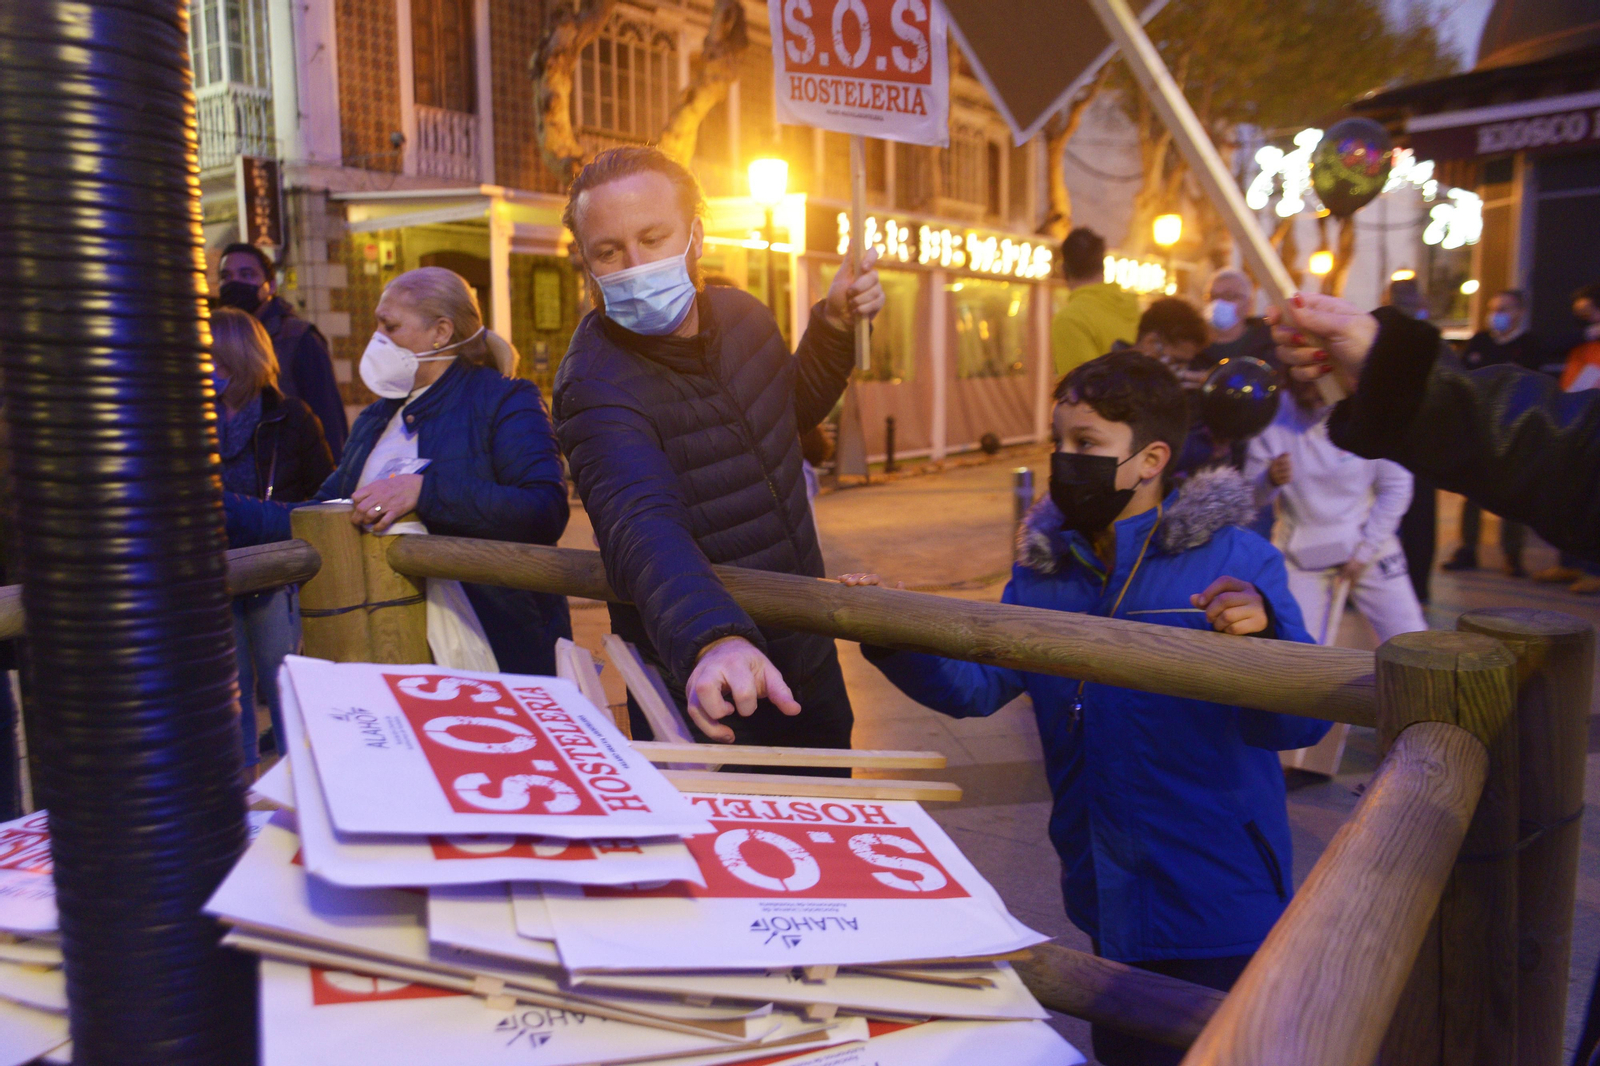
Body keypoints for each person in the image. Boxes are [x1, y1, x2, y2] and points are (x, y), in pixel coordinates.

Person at [846, 350, 1325, 1066]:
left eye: (1087, 442)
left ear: (1151, 459)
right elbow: (978, 687)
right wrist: (893, 631)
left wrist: (1267, 640)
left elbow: (1299, 722)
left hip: (1220, 894)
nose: (1064, 459)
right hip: (1105, 891)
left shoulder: (1239, 561)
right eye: (1059, 439)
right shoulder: (1045, 572)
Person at [552, 146, 884, 764]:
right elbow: (640, 524)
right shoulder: (593, 384)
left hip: (807, 652)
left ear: (696, 237)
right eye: (609, 251)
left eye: (653, 238)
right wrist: (714, 640)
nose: (635, 265)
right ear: (587, 264)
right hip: (708, 684)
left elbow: (782, 413)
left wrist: (835, 325)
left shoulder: (742, 315)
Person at [225, 266, 572, 675]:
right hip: (383, 646)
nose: (376, 339)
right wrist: (221, 509)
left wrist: (424, 492)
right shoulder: (375, 419)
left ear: (440, 332)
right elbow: (317, 515)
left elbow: (543, 508)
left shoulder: (505, 400)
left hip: (494, 641)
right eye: (377, 325)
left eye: (390, 326)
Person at [210, 307, 334, 764]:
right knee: (227, 695)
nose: (205, 369)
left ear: (237, 358)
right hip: (215, 575)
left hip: (274, 573)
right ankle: (240, 790)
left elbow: (323, 499)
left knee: (285, 687)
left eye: (212, 358)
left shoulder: (292, 418)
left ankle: (300, 779)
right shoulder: (191, 419)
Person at [1245, 373, 1426, 644]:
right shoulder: (1273, 414)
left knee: (1413, 637)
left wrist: (1365, 550)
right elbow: (1251, 497)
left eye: (1317, 379)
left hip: (1368, 539)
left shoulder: (1370, 411)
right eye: (1300, 378)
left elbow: (1397, 486)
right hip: (1301, 550)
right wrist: (1269, 479)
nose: (1309, 390)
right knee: (1299, 649)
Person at [217, 243, 350, 461]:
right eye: (226, 276)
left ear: (270, 286)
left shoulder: (299, 337)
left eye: (246, 274)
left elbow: (328, 418)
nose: (235, 283)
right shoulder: (216, 339)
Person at [1446, 289, 1543, 577]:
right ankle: (1468, 549)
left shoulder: (1529, 346)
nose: (1496, 315)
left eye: (1504, 309)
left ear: (1519, 312)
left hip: (1513, 429)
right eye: (1493, 308)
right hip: (1478, 427)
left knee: (1513, 492)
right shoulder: (1480, 342)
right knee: (1471, 490)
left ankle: (1512, 554)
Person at [1051, 227, 1140, 378]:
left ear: (1063, 270)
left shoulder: (1070, 319)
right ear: (1103, 267)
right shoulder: (1133, 307)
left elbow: (1080, 387)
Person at [1196, 268, 1276, 371]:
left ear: (1249, 304)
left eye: (1229, 296)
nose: (1218, 302)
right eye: (1213, 296)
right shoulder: (1192, 348)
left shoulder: (1269, 343)